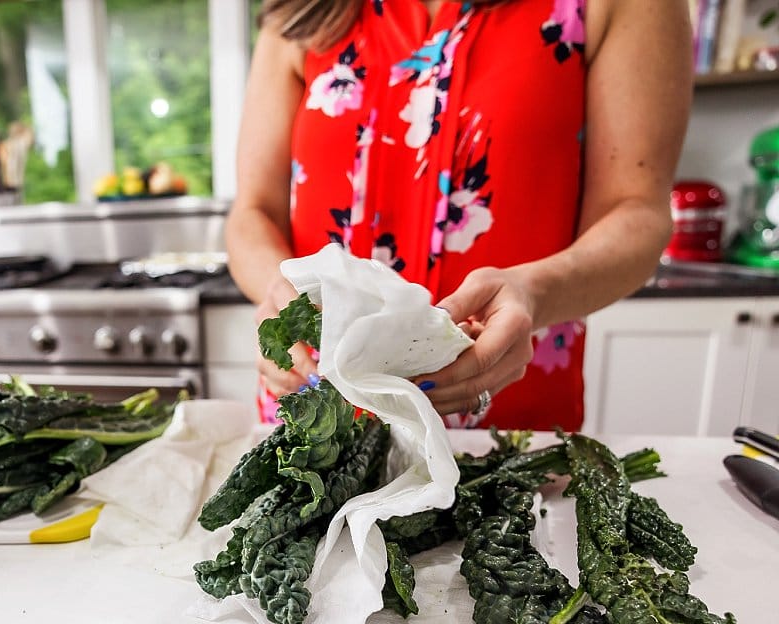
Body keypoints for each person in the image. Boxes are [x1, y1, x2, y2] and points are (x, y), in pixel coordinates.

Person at [225, 0, 691, 431]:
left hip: (505, 427)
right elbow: (252, 212)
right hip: (314, 420)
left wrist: (535, 292)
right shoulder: (302, 9)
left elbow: (637, 212)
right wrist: (278, 294)